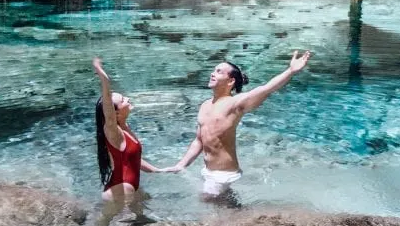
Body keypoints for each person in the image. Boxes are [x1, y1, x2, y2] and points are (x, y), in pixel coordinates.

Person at [165, 50, 312, 198]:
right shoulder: (205, 105)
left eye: (219, 71)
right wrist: (181, 164)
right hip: (209, 170)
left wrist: (290, 71)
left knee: (206, 203)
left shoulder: (235, 103)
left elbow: (267, 88)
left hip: (224, 173)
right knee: (224, 205)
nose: (212, 73)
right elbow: (199, 140)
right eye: (214, 70)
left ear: (230, 81)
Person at [93, 57, 165, 207]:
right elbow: (107, 107)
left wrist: (156, 170)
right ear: (115, 114)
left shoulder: (124, 128)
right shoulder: (114, 132)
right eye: (123, 100)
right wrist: (105, 81)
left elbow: (132, 159)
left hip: (127, 188)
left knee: (138, 221)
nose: (128, 99)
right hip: (120, 190)